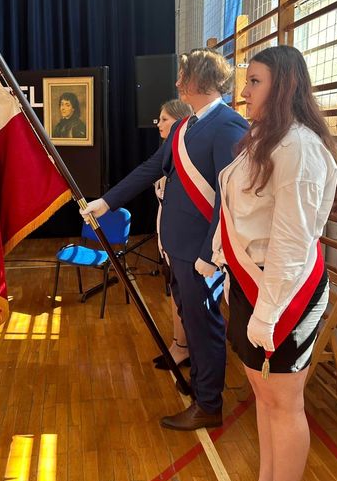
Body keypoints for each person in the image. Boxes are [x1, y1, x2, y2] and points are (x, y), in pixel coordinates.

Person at [212, 46, 337, 481]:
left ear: (284, 85)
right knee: (265, 399)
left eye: (255, 81)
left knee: (284, 404)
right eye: (246, 81)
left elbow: (292, 242)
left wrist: (268, 313)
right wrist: (217, 259)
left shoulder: (300, 148)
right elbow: (239, 213)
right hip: (254, 284)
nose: (244, 91)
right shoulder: (263, 140)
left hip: (285, 293)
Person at [81, 49, 248, 430]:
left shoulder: (228, 126)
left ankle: (208, 404)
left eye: (183, 76)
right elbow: (151, 169)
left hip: (200, 253)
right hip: (177, 247)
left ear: (200, 79)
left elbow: (229, 198)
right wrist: (106, 202)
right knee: (191, 321)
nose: (177, 83)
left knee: (204, 328)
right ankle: (202, 389)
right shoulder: (185, 126)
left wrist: (210, 254)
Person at [152, 98, 194, 370]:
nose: (159, 124)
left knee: (188, 302)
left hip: (185, 243)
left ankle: (186, 348)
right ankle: (179, 344)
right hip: (167, 239)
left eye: (165, 119)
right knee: (175, 296)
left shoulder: (188, 155)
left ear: (180, 121)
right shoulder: (167, 152)